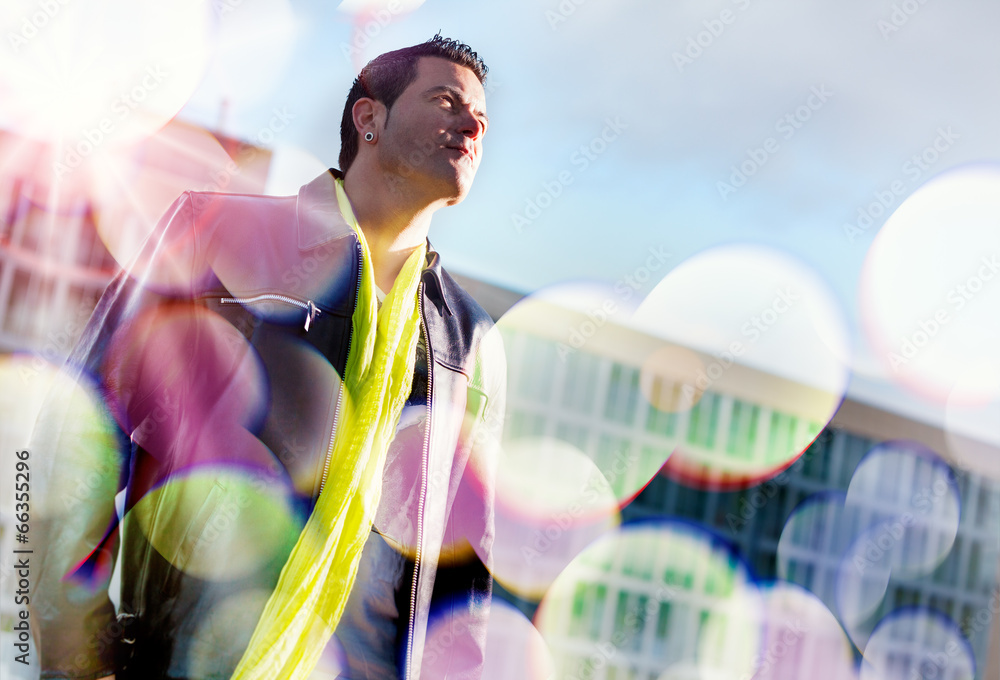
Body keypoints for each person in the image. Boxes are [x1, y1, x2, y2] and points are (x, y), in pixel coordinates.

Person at [30, 34, 506, 680]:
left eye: (481, 115)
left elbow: (462, 583)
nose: (472, 124)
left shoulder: (472, 346)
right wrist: (76, 646)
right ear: (369, 118)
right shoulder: (219, 234)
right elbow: (81, 430)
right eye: (446, 100)